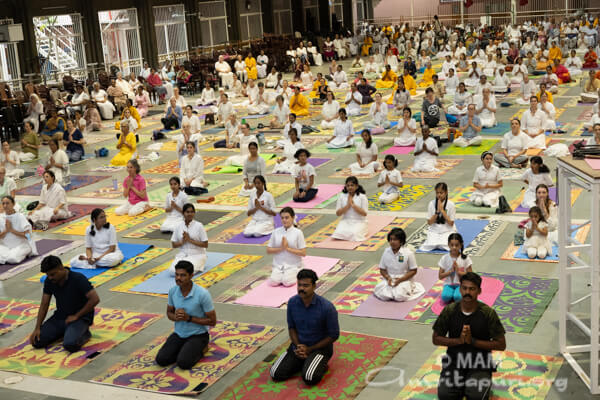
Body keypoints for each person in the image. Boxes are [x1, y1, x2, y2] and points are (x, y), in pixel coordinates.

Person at [433, 272, 506, 400]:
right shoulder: (450, 310)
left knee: (477, 397)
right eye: (465, 288)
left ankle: (480, 382)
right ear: (460, 289)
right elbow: (436, 339)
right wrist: (459, 341)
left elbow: (501, 344)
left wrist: (473, 341)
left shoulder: (488, 313)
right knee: (445, 395)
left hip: (480, 362)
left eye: (472, 289)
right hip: (455, 361)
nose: (468, 292)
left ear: (479, 291)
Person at [270, 268, 339, 385]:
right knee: (275, 373)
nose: (301, 288)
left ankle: (315, 362)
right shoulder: (292, 302)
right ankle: (305, 361)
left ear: (314, 286)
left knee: (309, 377)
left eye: (306, 285)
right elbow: (291, 327)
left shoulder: (327, 307)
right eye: (299, 285)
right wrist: (298, 347)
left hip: (319, 348)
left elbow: (333, 335)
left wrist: (310, 349)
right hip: (298, 347)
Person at [29, 255, 99, 353]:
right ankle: (66, 332)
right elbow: (44, 304)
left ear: (61, 268)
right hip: (60, 317)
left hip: (80, 318)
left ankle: (85, 333)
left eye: (53, 274)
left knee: (70, 345)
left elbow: (95, 299)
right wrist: (37, 328)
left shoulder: (78, 279)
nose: (50, 278)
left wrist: (76, 316)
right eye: (48, 275)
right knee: (36, 341)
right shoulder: (49, 281)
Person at [155, 260, 216, 370]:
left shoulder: (202, 294)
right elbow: (169, 312)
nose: (178, 278)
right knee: (161, 360)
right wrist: (176, 317)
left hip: (198, 335)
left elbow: (212, 321)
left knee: (184, 363)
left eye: (183, 275)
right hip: (179, 334)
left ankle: (203, 347)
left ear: (191, 275)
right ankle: (184, 349)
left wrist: (189, 318)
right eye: (177, 275)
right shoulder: (173, 291)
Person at [374, 227, 425, 301]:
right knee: (384, 295)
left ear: (401, 241)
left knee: (399, 296)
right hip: (390, 279)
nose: (392, 242)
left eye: (395, 240)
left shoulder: (408, 253)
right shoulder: (386, 252)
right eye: (391, 239)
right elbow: (382, 269)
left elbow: (413, 270)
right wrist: (388, 278)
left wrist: (401, 280)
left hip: (404, 279)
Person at [169, 204, 208, 275]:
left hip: (197, 254)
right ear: (183, 213)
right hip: (183, 255)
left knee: (187, 272)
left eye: (192, 212)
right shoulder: (178, 226)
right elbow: (174, 244)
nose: (190, 214)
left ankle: (201, 264)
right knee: (172, 271)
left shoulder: (199, 226)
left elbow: (205, 244)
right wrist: (182, 242)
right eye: (187, 212)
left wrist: (189, 240)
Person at [420, 182, 456, 252]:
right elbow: (429, 223)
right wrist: (437, 212)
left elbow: (451, 223)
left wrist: (442, 211)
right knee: (430, 245)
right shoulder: (431, 203)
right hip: (434, 229)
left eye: (441, 193)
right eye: (437, 193)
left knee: (446, 245)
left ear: (446, 192)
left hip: (447, 229)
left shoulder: (451, 204)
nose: (439, 195)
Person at [0, 195, 36, 263]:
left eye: (7, 203)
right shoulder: (1, 218)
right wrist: (6, 231)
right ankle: (7, 256)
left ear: (13, 204)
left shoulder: (20, 217)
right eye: (3, 203)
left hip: (21, 245)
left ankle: (10, 256)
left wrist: (12, 230)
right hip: (6, 246)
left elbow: (28, 236)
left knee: (12, 259)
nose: (5, 206)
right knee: (8, 256)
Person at [438, 233, 473, 304]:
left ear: (461, 245)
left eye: (456, 245)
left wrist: (459, 272)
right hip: (448, 284)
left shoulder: (465, 258)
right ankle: (451, 294)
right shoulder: (444, 258)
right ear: (448, 245)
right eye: (452, 245)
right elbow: (440, 276)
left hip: (461, 284)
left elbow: (471, 276)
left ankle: (456, 295)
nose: (454, 247)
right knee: (445, 297)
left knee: (458, 297)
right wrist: (450, 271)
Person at [331, 176, 368, 241]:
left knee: (354, 234)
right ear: (345, 186)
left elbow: (364, 213)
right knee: (337, 234)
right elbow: (338, 213)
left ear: (357, 186)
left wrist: (353, 205)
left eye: (352, 185)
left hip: (359, 221)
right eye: (348, 186)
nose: (350, 187)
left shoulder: (362, 197)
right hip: (345, 221)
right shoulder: (342, 196)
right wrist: (348, 205)